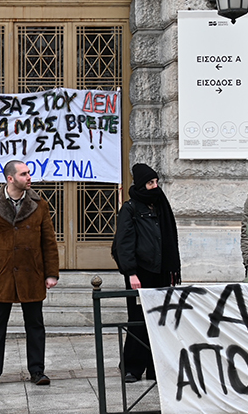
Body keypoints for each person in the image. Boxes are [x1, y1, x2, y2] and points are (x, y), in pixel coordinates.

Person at [0, 160, 60, 390]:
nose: (29, 177)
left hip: (32, 274)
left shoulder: (39, 204)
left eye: (29, 173)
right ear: (10, 179)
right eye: (24, 174)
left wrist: (51, 273)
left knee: (35, 325)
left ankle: (37, 371)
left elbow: (49, 242)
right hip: (1, 275)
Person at [111, 163, 181, 383]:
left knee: (159, 320)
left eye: (156, 182)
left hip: (161, 271)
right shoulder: (131, 209)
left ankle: (155, 368)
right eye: (151, 183)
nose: (155, 187)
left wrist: (170, 271)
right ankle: (131, 367)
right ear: (142, 185)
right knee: (138, 320)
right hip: (140, 273)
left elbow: (168, 239)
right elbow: (123, 244)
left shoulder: (160, 206)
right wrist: (131, 273)